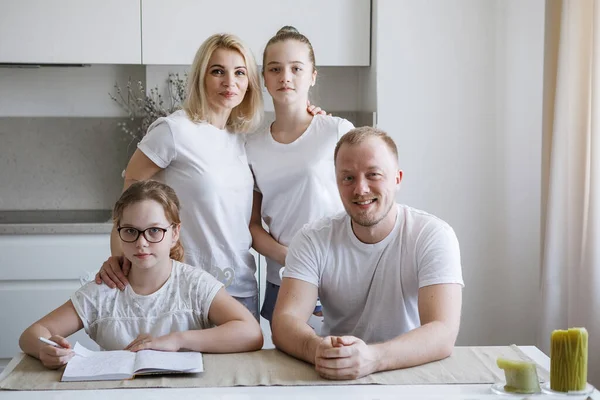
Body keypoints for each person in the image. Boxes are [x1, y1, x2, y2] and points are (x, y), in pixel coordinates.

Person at [95, 33, 324, 319]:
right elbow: (130, 193)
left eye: (239, 72)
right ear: (201, 77)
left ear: (250, 83)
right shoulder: (175, 130)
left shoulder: (243, 141)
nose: (230, 82)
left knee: (242, 365)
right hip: (185, 288)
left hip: (241, 288)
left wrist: (312, 118)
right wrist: (120, 256)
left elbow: (247, 222)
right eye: (218, 71)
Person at [271, 127, 464, 380]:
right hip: (335, 373)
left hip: (411, 369)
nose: (360, 189)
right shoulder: (312, 238)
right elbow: (285, 321)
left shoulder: (433, 235)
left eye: (373, 174)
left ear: (397, 178)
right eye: (348, 178)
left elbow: (443, 332)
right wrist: (316, 349)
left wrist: (373, 358)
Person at [19, 180, 263, 369]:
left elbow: (251, 333)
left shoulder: (194, 285)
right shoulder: (104, 289)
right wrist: (46, 350)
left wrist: (177, 340)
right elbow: (32, 333)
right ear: (119, 232)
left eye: (154, 231)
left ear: (174, 233)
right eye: (131, 231)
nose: (142, 243)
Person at [246, 26, 354, 323]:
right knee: (285, 367)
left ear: (313, 75)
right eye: (275, 69)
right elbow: (252, 226)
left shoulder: (336, 131)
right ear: (264, 79)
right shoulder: (251, 146)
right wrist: (288, 256)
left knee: (341, 361)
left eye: (296, 68)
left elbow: (360, 199)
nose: (285, 77)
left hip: (336, 275)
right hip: (282, 277)